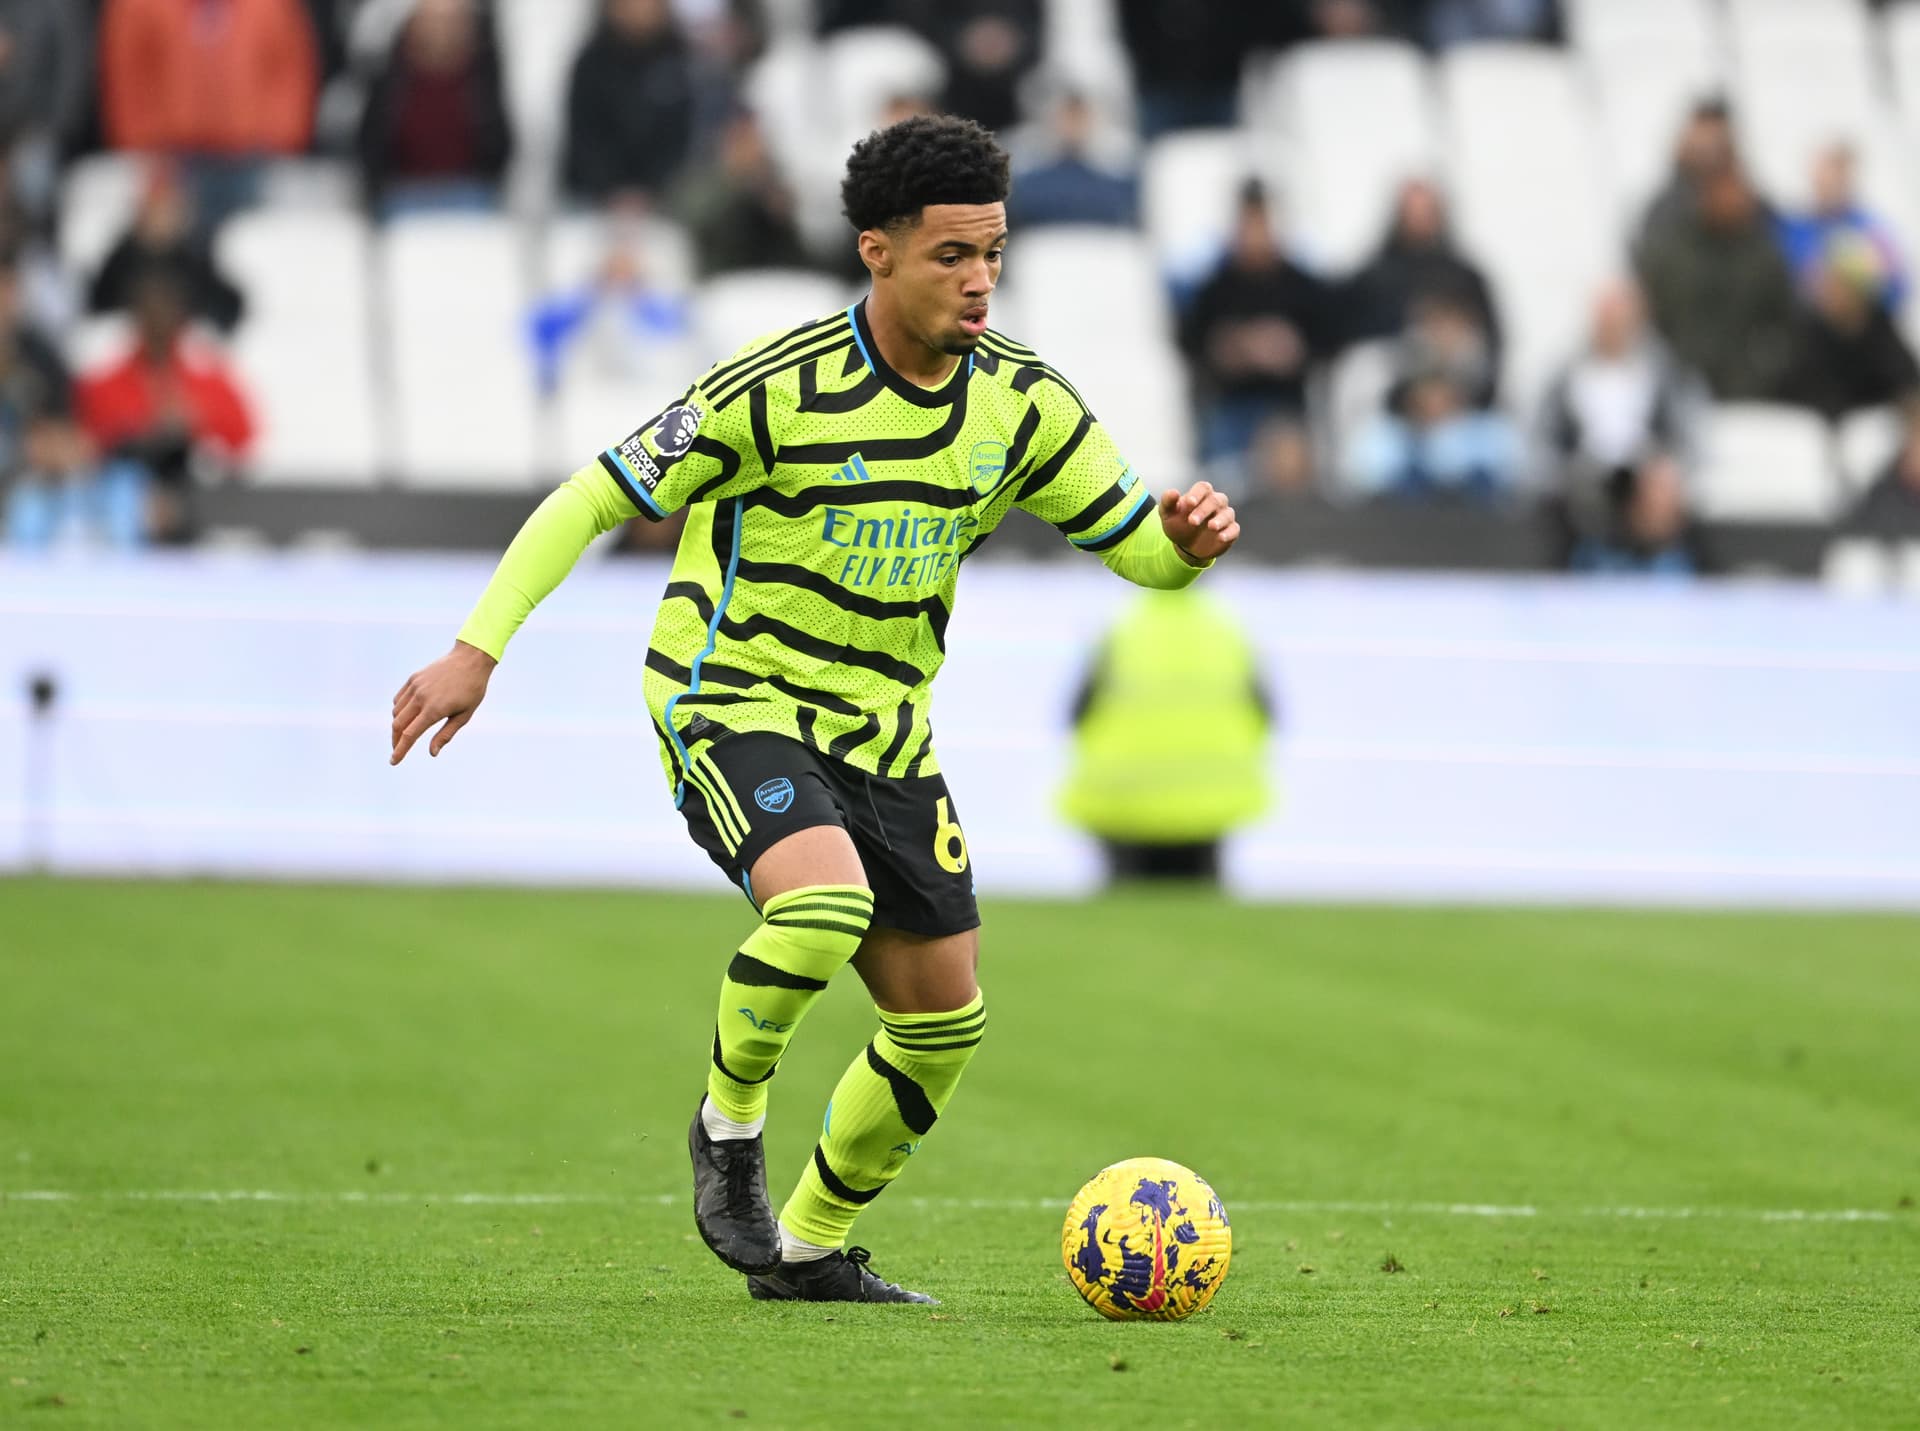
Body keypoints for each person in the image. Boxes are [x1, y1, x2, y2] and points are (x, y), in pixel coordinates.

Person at [389, 114, 1240, 1304]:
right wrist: (476, 650)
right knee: (825, 901)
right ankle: (727, 1127)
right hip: (731, 694)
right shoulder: (773, 388)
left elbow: (1137, 555)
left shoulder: (1024, 406)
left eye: (993, 252)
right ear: (875, 252)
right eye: (951, 255)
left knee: (943, 1022)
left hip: (884, 732)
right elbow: (593, 493)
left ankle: (803, 1251)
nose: (981, 280)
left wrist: (1183, 546)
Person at [1061, 585, 1272, 883]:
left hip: (1123, 797)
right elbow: (1266, 712)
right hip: (1209, 799)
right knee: (1202, 914)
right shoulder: (1228, 632)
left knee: (1123, 912)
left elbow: (1075, 713)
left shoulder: (1122, 629)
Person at [98, 0, 319, 232]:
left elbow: (289, 69)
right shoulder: (140, 6)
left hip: (247, 155)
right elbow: (128, 72)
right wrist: (141, 140)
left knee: (246, 244)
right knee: (177, 244)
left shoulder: (270, 5)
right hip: (172, 156)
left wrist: (280, 135)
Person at [75, 269, 255, 544]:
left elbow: (242, 439)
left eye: (166, 313)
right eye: (150, 314)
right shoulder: (104, 385)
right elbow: (86, 447)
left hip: (194, 507)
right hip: (120, 512)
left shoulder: (207, 380)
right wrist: (139, 431)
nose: (159, 323)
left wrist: (198, 421)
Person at [1540, 279, 1705, 571]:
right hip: (1584, 474)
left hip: (1645, 470)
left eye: (1620, 321)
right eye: (1606, 321)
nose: (1613, 329)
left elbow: (1686, 434)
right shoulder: (1567, 375)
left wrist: (1666, 468)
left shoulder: (1664, 372)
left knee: (1661, 490)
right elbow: (1545, 436)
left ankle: (1664, 570)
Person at [1178, 179, 1336, 484]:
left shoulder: (1303, 287)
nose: (1255, 233)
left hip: (1287, 405)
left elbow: (1327, 342)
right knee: (1222, 471)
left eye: (1262, 222)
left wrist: (1291, 350)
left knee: (1288, 456)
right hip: (1230, 403)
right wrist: (1229, 349)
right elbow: (1191, 344)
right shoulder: (1214, 288)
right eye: (1249, 223)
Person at [1637, 164, 1797, 400]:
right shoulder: (1675, 250)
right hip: (1681, 381)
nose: (1731, 200)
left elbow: (1784, 321)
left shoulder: (1764, 255)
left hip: (1747, 387)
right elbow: (1653, 308)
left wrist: (1763, 368)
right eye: (1722, 192)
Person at [1342, 178, 1503, 390]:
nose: (1418, 219)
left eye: (1426, 211)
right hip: (1392, 394)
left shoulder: (1465, 276)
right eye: (1412, 211)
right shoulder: (1373, 277)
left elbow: (1492, 343)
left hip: (1458, 397)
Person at [356, 0, 511, 218]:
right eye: (433, 21)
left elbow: (500, 144)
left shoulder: (482, 78)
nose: (441, 31)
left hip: (468, 195)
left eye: (450, 22)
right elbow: (371, 141)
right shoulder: (392, 76)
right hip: (403, 194)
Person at [0, 241, 103, 549]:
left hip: (32, 478)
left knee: (43, 505)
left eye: (8, 288)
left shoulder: (41, 354)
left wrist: (50, 444)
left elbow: (67, 428)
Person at [562, 0, 703, 210]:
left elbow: (685, 137)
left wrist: (652, 190)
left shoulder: (683, 62)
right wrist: (610, 190)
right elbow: (585, 137)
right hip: (594, 196)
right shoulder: (591, 64)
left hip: (667, 196)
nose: (640, 8)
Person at [89, 161, 247, 334]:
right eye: (156, 208)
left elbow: (226, 308)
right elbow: (98, 308)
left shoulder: (195, 257)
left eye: (168, 209)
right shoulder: (122, 259)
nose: (161, 218)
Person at [1777, 232, 1920, 423]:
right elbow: (1798, 388)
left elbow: (1905, 378)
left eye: (1839, 285)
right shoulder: (1807, 331)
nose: (1829, 291)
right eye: (1827, 282)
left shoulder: (1879, 325)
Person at [672, 107, 812, 277]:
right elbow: (694, 225)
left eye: (753, 139)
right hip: (721, 277)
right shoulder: (703, 185)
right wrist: (738, 184)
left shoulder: (775, 181)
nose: (749, 149)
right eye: (741, 139)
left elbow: (803, 243)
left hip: (778, 277)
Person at [1775, 143, 1908, 313]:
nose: (1830, 184)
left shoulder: (1869, 229)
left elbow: (1899, 286)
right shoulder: (1794, 230)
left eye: (1838, 176)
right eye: (1824, 175)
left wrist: (1864, 289)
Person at [1006, 89, 1138, 232]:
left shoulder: (1117, 175)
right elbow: (1026, 208)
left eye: (1079, 118)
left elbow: (1119, 210)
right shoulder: (1029, 174)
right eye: (1067, 117)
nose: (1073, 126)